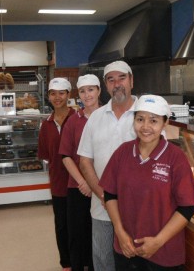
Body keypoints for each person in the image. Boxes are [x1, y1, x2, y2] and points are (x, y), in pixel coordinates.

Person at [99, 94, 194, 271]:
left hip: (164, 252)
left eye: (153, 121)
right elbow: (110, 194)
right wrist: (120, 232)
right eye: (140, 119)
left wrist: (158, 241)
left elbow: (188, 207)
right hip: (126, 248)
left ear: (165, 123)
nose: (145, 127)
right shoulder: (123, 152)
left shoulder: (175, 158)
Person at [77, 61, 137, 271]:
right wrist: (103, 195)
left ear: (131, 80)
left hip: (136, 209)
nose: (117, 83)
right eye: (111, 79)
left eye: (121, 77)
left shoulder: (146, 115)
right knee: (103, 261)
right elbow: (85, 160)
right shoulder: (96, 118)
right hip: (101, 208)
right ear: (105, 85)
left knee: (133, 262)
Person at [59, 74, 101, 271]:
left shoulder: (108, 118)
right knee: (77, 234)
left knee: (98, 233)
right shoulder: (73, 121)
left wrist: (95, 185)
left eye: (91, 90)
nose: (87, 95)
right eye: (83, 91)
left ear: (99, 91)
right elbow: (66, 156)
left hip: (103, 187)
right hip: (78, 187)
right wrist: (83, 183)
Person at [38, 77, 75, 271]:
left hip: (80, 183)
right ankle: (66, 263)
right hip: (59, 184)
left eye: (62, 93)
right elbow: (46, 156)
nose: (57, 97)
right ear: (49, 96)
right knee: (61, 225)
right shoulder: (46, 125)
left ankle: (82, 261)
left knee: (79, 224)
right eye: (53, 93)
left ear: (69, 95)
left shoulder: (78, 119)